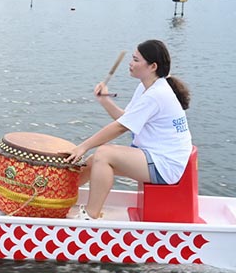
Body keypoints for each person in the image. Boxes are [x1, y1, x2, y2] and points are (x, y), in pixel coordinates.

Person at [66, 40, 192, 220]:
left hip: (165, 165)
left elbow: (120, 127)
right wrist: (104, 100)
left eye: (135, 60)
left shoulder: (156, 95)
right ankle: (60, 197)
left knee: (104, 154)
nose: (130, 63)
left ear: (152, 66)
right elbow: (125, 118)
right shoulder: (146, 87)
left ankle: (90, 216)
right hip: (155, 157)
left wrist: (82, 147)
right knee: (94, 161)